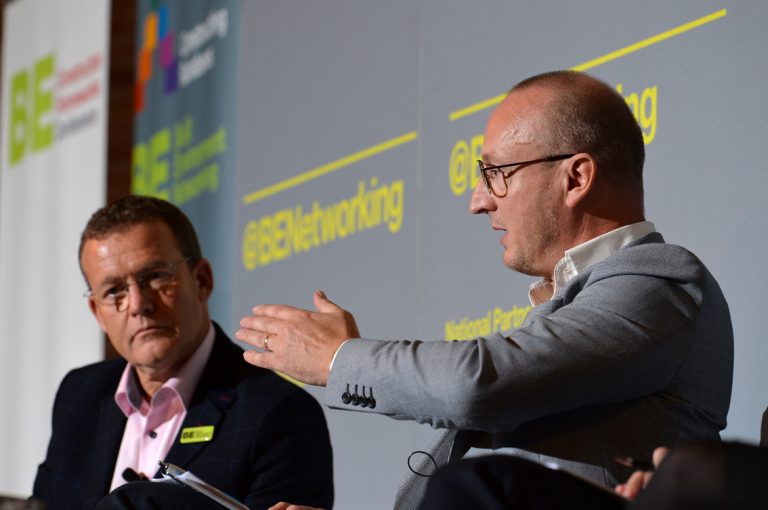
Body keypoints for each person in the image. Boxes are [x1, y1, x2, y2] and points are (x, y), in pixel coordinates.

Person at [236, 70, 733, 508]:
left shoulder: (663, 280)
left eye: (496, 174)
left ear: (576, 177)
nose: (478, 201)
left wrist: (337, 358)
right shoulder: (577, 299)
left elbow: (478, 386)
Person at [31, 196, 334, 510]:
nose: (138, 304)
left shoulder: (277, 413)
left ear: (201, 280)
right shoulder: (80, 395)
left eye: (155, 277)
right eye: (114, 291)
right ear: (97, 311)